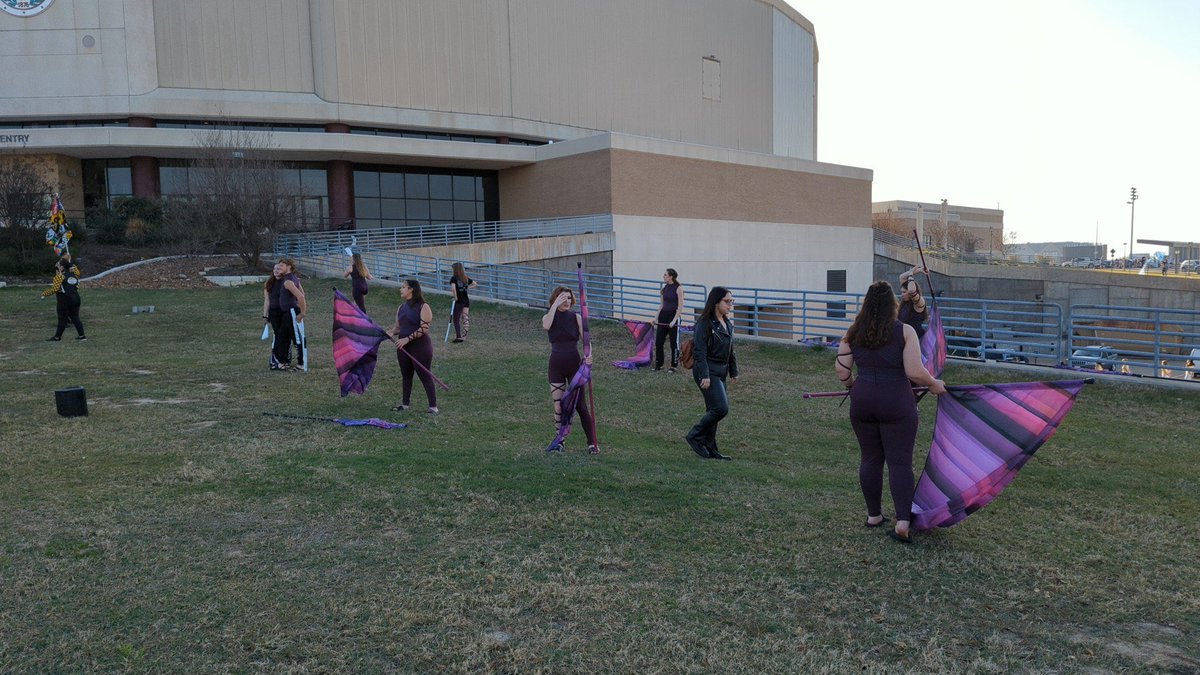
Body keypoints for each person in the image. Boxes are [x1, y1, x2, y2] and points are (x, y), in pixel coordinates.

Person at [836, 280, 947, 544]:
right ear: (893, 305)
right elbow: (914, 372)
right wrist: (933, 384)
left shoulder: (853, 332)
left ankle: (873, 515)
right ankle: (902, 522)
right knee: (899, 462)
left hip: (862, 401)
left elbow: (842, 370)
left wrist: (853, 386)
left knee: (870, 458)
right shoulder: (904, 331)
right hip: (896, 401)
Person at [541, 286, 598, 454]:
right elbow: (546, 325)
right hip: (556, 365)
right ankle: (559, 440)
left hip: (574, 365)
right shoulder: (548, 316)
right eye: (563, 298)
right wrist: (554, 306)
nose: (566, 301)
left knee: (580, 406)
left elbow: (587, 341)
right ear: (555, 299)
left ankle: (591, 443)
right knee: (559, 406)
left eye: (569, 298)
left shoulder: (577, 318)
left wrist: (589, 355)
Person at [685, 287, 739, 461]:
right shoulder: (705, 324)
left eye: (732, 301)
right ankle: (694, 435)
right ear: (716, 302)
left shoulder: (727, 323)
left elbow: (731, 350)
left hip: (721, 372)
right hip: (707, 372)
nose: (730, 305)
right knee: (720, 408)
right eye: (727, 301)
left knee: (713, 409)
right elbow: (699, 352)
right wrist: (705, 375)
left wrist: (733, 371)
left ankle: (711, 448)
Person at [389, 279, 438, 413]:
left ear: (411, 289)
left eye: (403, 287)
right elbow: (398, 328)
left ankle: (433, 407)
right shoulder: (401, 308)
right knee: (406, 375)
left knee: (424, 375)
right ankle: (405, 405)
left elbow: (424, 328)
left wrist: (407, 339)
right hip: (403, 347)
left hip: (420, 346)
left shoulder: (423, 306)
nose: (401, 289)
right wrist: (390, 333)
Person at [262, 258, 307, 371]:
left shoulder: (287, 281)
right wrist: (265, 315)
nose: (278, 268)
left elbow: (301, 296)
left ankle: (301, 364)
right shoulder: (286, 279)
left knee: (296, 338)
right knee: (284, 335)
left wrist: (302, 313)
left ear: (289, 267)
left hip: (291, 311)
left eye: (281, 266)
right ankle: (282, 361)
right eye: (277, 267)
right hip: (285, 313)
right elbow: (302, 294)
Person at [42, 253, 86, 341]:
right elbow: (76, 286)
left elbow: (55, 289)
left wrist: (44, 294)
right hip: (76, 299)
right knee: (75, 318)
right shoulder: (74, 276)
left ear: (61, 268)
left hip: (65, 300)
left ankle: (57, 337)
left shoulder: (59, 277)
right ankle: (82, 337)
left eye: (57, 266)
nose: (56, 267)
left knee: (62, 319)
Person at [653, 268, 685, 372]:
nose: (664, 276)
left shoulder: (678, 288)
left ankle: (674, 365)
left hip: (673, 316)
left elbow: (680, 306)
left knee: (673, 343)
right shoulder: (664, 289)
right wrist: (655, 318)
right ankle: (659, 364)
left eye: (665, 275)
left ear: (671, 276)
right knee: (658, 342)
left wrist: (674, 320)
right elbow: (661, 305)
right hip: (663, 316)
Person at [448, 262, 478, 343]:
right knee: (465, 318)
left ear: (455, 269)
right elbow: (475, 284)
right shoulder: (465, 278)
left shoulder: (453, 278)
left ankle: (459, 337)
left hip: (459, 301)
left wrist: (455, 297)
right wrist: (467, 287)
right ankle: (464, 337)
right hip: (466, 301)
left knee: (456, 319)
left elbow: (453, 289)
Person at [897, 265, 928, 339]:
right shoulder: (905, 302)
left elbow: (911, 290)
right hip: (905, 336)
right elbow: (902, 277)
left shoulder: (919, 302)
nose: (902, 295)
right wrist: (917, 270)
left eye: (904, 292)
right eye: (901, 292)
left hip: (917, 339)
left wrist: (911, 274)